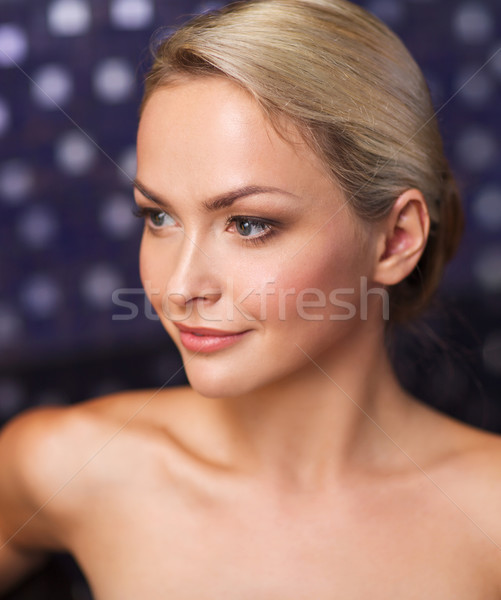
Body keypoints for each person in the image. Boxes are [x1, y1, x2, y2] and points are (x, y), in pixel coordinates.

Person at [1, 0, 501, 596]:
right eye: (159, 216)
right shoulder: (67, 467)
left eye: (249, 224)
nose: (180, 287)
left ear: (395, 240)